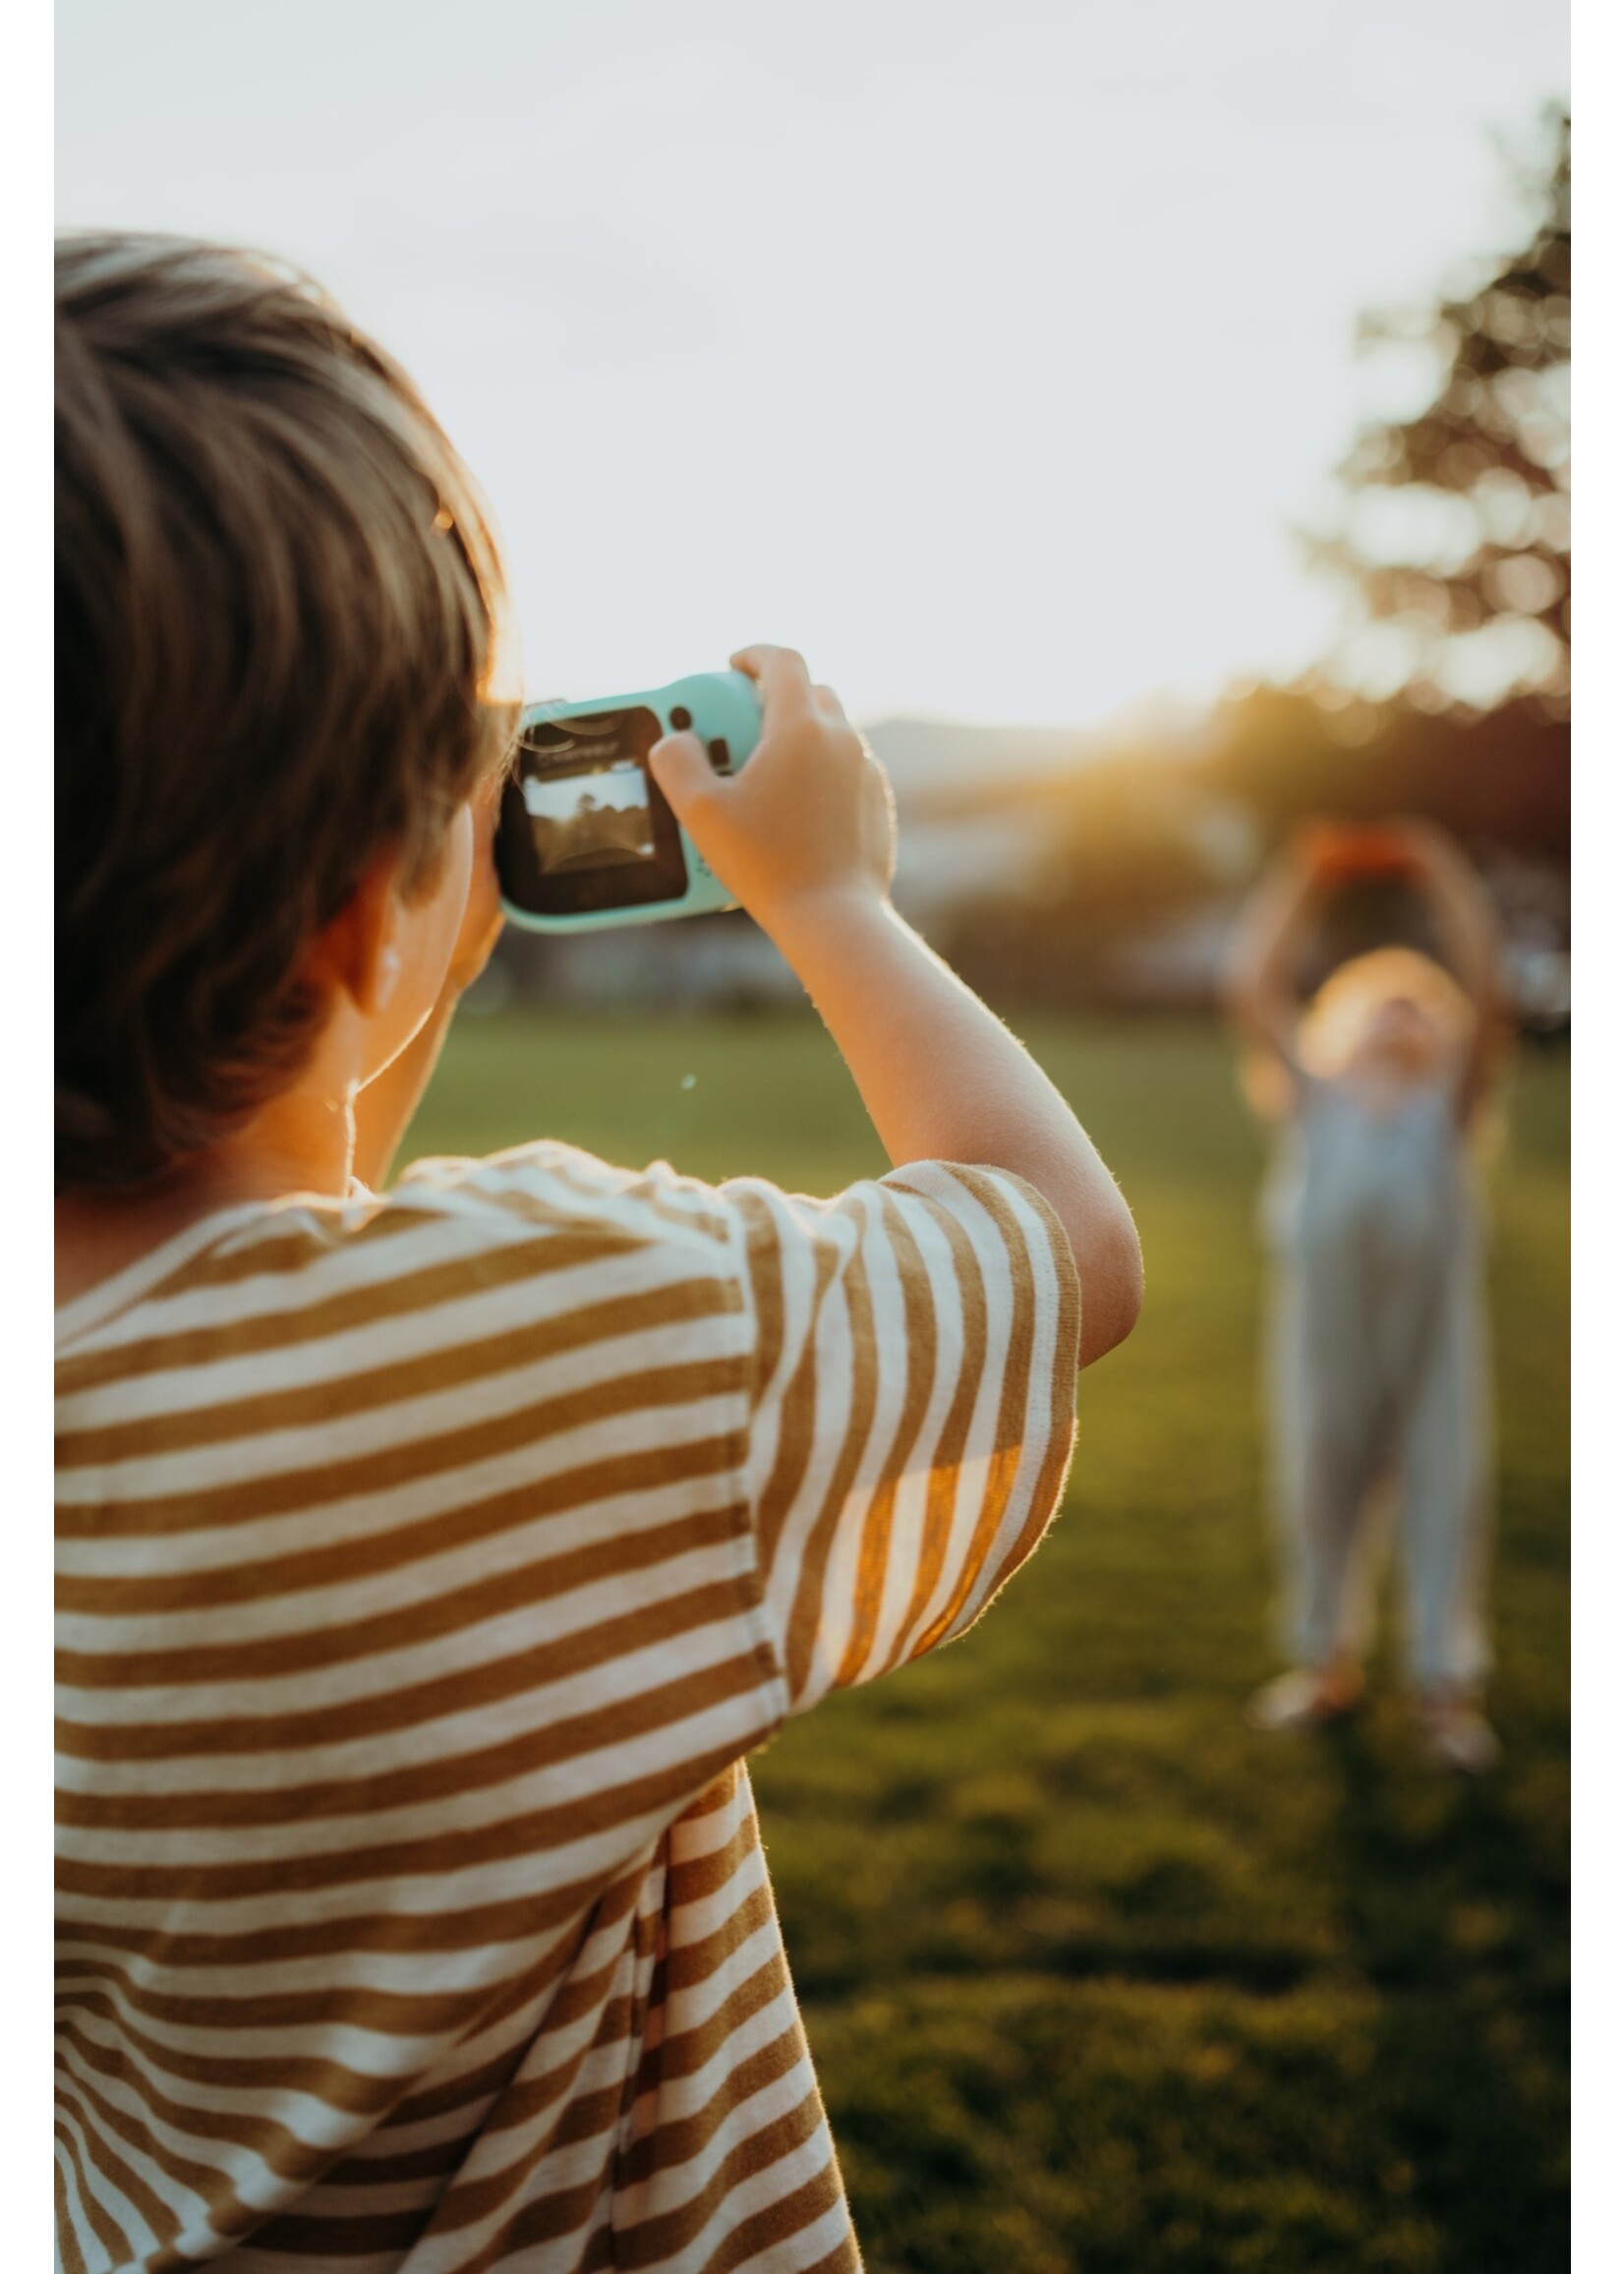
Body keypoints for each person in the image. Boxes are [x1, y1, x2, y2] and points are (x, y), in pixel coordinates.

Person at [55, 234, 1141, 2274]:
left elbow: (261, 1282)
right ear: (358, 903)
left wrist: (396, 986)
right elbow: (1057, 1250)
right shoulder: (572, 1324)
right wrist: (832, 898)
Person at [1223, 820, 1507, 1774]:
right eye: (1377, 1003)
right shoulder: (1316, 1103)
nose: (1398, 1014)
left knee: (1442, 1497)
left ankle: (1440, 1691)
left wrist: (1442, 876)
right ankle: (1322, 1666)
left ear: (1444, 1034)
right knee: (1316, 1496)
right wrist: (1300, 880)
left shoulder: (1445, 1113)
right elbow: (1251, 984)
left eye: (1416, 1005)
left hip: (1430, 1356)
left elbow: (1489, 988)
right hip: (1323, 1349)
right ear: (1335, 1032)